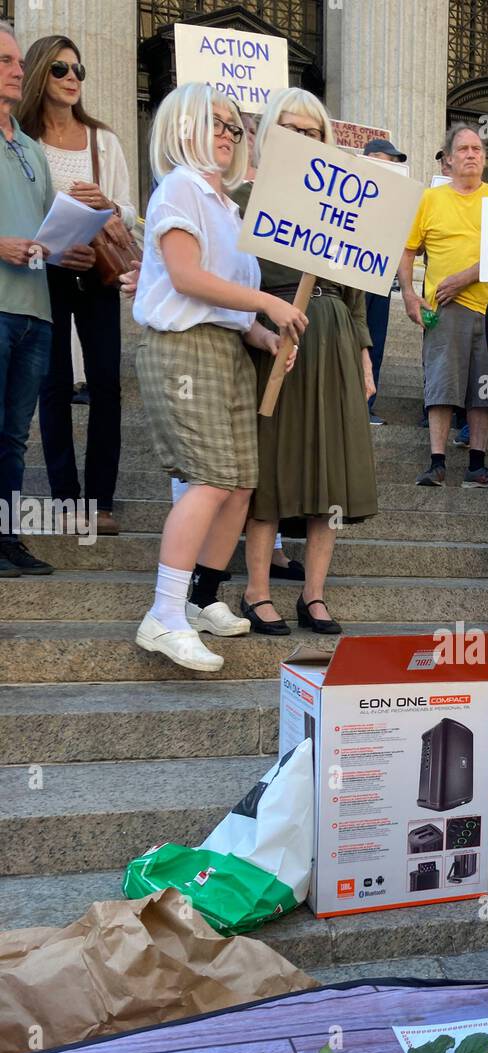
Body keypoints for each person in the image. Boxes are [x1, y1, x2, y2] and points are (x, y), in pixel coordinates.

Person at [132, 83, 306, 672]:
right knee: (210, 478)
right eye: (217, 122)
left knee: (237, 482)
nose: (229, 133)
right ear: (182, 127)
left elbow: (225, 305)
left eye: (236, 126)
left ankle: (202, 597)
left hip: (225, 347)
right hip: (182, 349)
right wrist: (268, 304)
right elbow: (184, 277)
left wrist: (261, 334)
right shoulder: (180, 186)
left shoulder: (228, 206)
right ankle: (164, 613)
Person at [236, 88, 377, 638]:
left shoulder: (344, 207)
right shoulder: (245, 199)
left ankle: (313, 596)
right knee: (271, 468)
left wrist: (364, 356)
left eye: (312, 131)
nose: (301, 139)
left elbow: (358, 294)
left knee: (330, 474)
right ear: (269, 134)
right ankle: (256, 591)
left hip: (334, 336)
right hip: (274, 340)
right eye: (289, 129)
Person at [17, 34, 134, 538]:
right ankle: (65, 497)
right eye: (61, 70)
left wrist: (107, 203)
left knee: (106, 381)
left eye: (78, 71)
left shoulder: (103, 141)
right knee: (54, 384)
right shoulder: (22, 142)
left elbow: (130, 212)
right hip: (45, 271)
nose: (71, 79)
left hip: (98, 271)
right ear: (41, 73)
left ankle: (101, 500)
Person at [0, 20, 94, 579]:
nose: (18, 70)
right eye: (6, 61)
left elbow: (44, 229)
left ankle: (7, 539)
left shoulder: (32, 149)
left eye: (17, 61)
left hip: (37, 312)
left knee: (13, 436)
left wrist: (70, 251)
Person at [399, 123, 488, 489]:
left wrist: (467, 276)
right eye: (463, 149)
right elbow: (406, 250)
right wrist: (407, 293)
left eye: (478, 149)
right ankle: (437, 462)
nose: (471, 155)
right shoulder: (430, 199)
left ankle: (477, 466)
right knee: (442, 384)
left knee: (484, 388)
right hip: (444, 309)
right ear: (448, 160)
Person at [362, 135, 407, 425]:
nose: (391, 166)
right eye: (387, 161)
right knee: (357, 339)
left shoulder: (395, 198)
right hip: (353, 276)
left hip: (380, 275)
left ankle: (366, 404)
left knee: (376, 340)